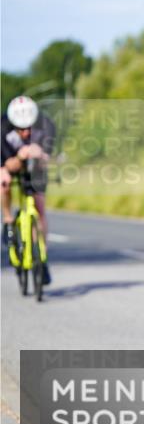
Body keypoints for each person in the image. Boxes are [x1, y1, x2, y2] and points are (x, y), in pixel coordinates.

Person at [2, 95, 55, 283]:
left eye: (28, 128)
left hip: (36, 166)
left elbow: (48, 156)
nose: (24, 133)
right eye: (20, 129)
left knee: (40, 207)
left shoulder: (46, 124)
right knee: (3, 183)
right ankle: (8, 220)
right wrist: (10, 165)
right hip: (10, 162)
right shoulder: (3, 127)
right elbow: (5, 163)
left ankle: (42, 258)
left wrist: (40, 153)